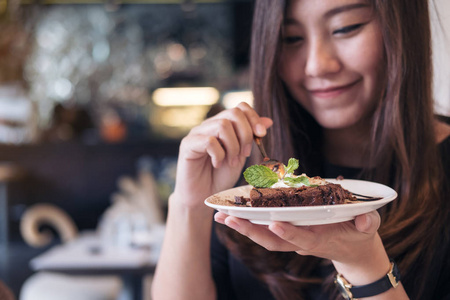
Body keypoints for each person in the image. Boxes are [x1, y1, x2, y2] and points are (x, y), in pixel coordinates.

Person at [152, 0, 450, 299]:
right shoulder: (243, 178)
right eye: (291, 38)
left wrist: (364, 263)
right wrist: (188, 205)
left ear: (404, 28)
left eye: (346, 28)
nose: (317, 65)